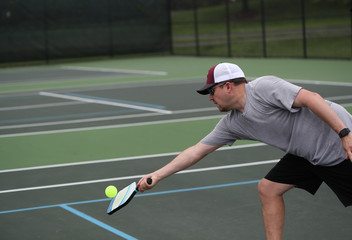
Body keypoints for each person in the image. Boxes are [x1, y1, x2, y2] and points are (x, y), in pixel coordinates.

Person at [137, 62, 352, 240]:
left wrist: (344, 133)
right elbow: (196, 151)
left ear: (228, 86)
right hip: (306, 153)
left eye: (211, 91)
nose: (210, 97)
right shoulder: (233, 124)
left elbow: (312, 98)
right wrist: (156, 175)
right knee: (268, 189)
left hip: (335, 142)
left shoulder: (264, 88)